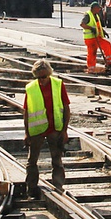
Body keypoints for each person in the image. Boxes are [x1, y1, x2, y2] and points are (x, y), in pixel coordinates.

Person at [24, 59, 71, 199]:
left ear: (49, 74)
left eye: (44, 77)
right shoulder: (31, 88)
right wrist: (26, 133)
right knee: (32, 160)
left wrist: (64, 130)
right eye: (39, 77)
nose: (42, 80)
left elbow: (66, 108)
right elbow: (26, 111)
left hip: (55, 128)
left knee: (57, 159)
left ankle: (58, 186)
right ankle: (31, 188)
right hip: (37, 130)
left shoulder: (58, 85)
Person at [80, 1, 111, 73]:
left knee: (107, 45)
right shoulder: (87, 15)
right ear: (94, 8)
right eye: (98, 8)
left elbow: (98, 26)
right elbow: (82, 24)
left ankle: (109, 62)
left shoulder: (96, 15)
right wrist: (91, 28)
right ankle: (91, 69)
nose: (99, 10)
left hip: (97, 37)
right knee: (92, 53)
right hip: (90, 38)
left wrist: (103, 31)